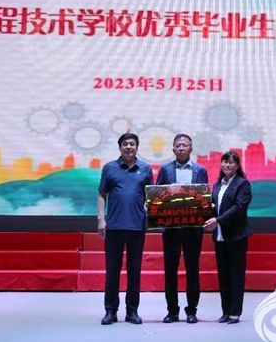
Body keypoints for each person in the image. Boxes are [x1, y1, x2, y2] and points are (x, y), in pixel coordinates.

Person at [97, 133, 153, 325]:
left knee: (134, 270)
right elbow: (101, 195)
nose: (129, 147)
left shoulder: (145, 169)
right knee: (112, 270)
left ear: (137, 147)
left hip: (137, 226)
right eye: (125, 144)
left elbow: (150, 196)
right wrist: (101, 219)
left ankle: (132, 311)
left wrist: (148, 207)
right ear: (120, 147)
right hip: (114, 226)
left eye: (132, 144)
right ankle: (110, 311)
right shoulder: (109, 168)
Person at [156, 134, 209, 324]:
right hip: (171, 229)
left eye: (184, 145)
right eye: (178, 145)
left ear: (191, 149)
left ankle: (191, 311)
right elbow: (157, 195)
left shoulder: (200, 170)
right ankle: (172, 311)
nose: (181, 148)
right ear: (173, 149)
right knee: (170, 270)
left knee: (192, 270)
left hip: (193, 229)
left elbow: (204, 196)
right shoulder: (165, 169)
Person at [203, 151, 252, 325]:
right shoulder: (218, 184)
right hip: (220, 236)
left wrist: (218, 220)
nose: (227, 165)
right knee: (223, 275)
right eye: (225, 162)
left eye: (231, 162)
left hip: (236, 236)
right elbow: (213, 206)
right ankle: (225, 312)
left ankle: (235, 313)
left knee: (236, 276)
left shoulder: (243, 184)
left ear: (237, 166)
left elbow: (239, 207)